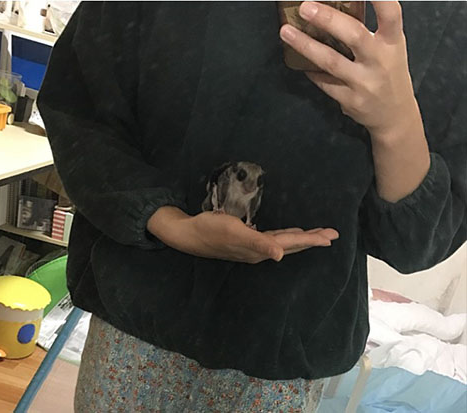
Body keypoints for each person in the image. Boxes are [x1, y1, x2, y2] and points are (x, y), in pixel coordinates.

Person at [37, 1, 466, 412]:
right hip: (137, 318)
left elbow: (416, 239)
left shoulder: (449, 18)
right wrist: (167, 222)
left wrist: (396, 123)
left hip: (284, 348)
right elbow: (79, 107)